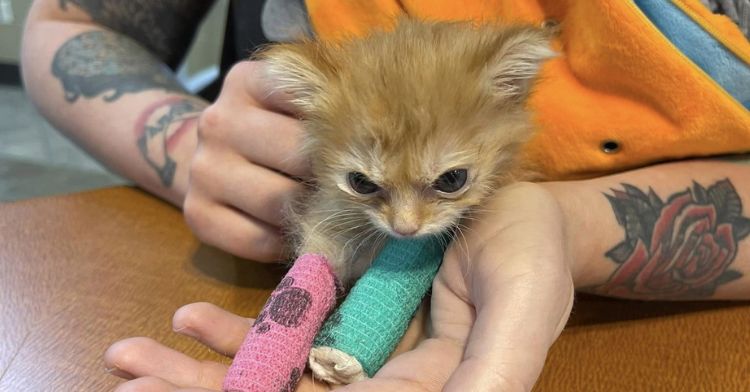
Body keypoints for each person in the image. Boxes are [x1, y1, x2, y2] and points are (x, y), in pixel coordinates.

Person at [20, 0, 750, 391]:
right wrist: (187, 143)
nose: (405, 222)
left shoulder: (504, 77)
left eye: (449, 181)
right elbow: (69, 22)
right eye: (368, 186)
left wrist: (569, 224)